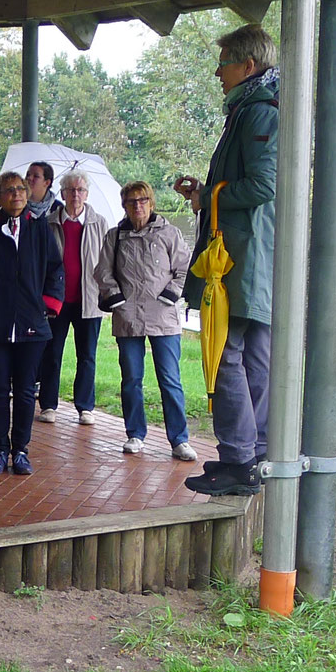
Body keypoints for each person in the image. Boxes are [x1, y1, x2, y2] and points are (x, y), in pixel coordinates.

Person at [172, 23, 280, 497]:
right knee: (254, 356)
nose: (218, 73)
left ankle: (239, 458)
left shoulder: (258, 113)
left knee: (225, 354)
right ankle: (254, 454)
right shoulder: (256, 108)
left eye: (223, 64)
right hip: (253, 256)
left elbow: (262, 187)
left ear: (247, 66)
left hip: (242, 260)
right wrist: (207, 191)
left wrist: (209, 198)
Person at [0, 171, 63, 476]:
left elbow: (55, 269)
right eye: (9, 190)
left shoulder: (41, 229)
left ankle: (20, 451)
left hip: (32, 326)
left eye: (21, 189)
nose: (17, 194)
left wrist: (47, 304)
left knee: (24, 391)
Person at [97, 180, 198, 462]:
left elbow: (185, 269)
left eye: (142, 200)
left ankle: (179, 440)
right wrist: (116, 298)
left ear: (151, 203)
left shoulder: (169, 233)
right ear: (124, 206)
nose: (137, 206)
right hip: (128, 316)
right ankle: (135, 434)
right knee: (131, 378)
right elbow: (103, 271)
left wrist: (170, 295)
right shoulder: (115, 236)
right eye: (131, 201)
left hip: (163, 316)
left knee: (170, 379)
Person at [37, 171, 111, 426]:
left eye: (80, 190)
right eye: (71, 190)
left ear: (86, 194)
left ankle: (85, 407)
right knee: (52, 352)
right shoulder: (48, 223)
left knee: (87, 355)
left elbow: (107, 261)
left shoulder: (99, 223)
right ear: (63, 193)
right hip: (57, 300)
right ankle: (48, 404)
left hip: (89, 300)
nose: (76, 194)